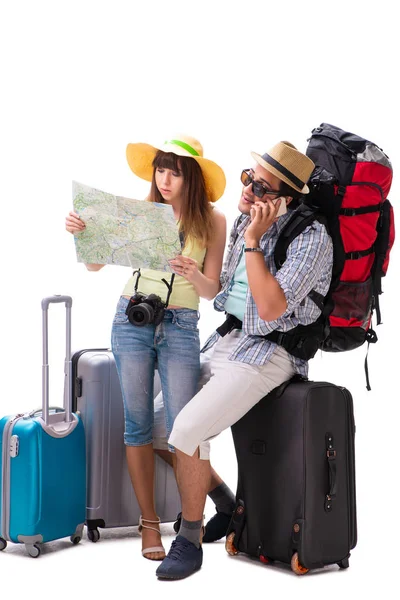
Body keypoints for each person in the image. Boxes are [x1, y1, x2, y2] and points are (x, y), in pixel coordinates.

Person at [155, 141, 334, 580]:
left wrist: (255, 241)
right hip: (230, 339)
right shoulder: (239, 222)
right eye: (249, 178)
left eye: (263, 186)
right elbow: (228, 296)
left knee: (189, 428)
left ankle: (189, 539)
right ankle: (226, 503)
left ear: (285, 199)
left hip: (272, 351)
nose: (250, 189)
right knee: (159, 427)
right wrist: (198, 275)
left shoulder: (312, 237)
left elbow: (271, 308)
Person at [65, 134, 227, 561]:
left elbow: (212, 291)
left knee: (183, 430)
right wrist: (84, 234)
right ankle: (149, 525)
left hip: (180, 323)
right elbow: (96, 263)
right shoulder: (140, 213)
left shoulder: (212, 221)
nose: (166, 178)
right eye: (161, 169)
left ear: (191, 176)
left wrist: (192, 272)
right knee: (136, 426)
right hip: (131, 317)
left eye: (175, 170)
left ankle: (212, 512)